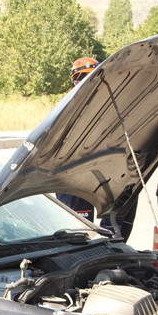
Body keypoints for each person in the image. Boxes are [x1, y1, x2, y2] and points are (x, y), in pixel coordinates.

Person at [58, 56, 138, 240]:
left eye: (90, 76)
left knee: (115, 229)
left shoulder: (112, 102)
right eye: (80, 78)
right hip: (73, 176)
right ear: (73, 81)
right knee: (76, 231)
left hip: (105, 173)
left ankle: (111, 249)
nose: (84, 81)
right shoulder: (67, 105)